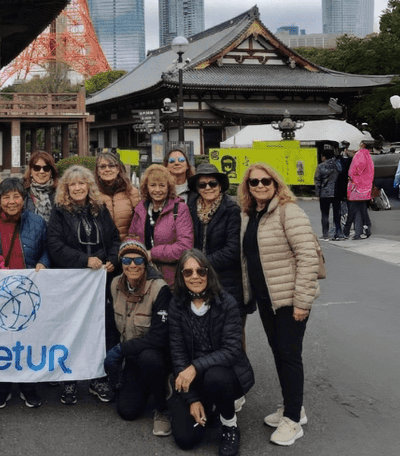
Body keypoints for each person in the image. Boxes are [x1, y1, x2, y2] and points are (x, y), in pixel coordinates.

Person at [239, 163, 319, 447]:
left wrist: (302, 302)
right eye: (254, 182)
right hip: (266, 299)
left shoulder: (289, 211)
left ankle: (293, 421)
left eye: (266, 181)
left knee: (289, 354)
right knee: (279, 352)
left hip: (289, 299)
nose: (260, 186)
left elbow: (307, 256)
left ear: (276, 183)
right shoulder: (251, 215)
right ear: (247, 187)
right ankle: (291, 407)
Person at [0, 176, 50, 408]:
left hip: (27, 290)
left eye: (16, 196)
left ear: (23, 199)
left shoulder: (37, 222)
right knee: (1, 341)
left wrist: (44, 263)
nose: (12, 201)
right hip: (0, 292)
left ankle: (27, 386)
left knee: (27, 340)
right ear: (0, 199)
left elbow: (46, 250)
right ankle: (2, 386)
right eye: (6, 197)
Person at [168, 249, 254, 456]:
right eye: (187, 272)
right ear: (181, 276)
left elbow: (232, 350)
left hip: (225, 373)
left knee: (215, 377)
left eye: (201, 271)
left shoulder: (226, 303)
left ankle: (230, 425)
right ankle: (208, 405)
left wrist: (195, 367)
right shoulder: (176, 305)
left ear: (209, 273)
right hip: (194, 379)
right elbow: (177, 352)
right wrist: (192, 399)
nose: (195, 276)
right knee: (186, 440)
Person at [47, 165, 119, 405]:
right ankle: (69, 379)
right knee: (71, 329)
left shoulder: (101, 209)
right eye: (72, 184)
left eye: (82, 183)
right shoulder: (59, 212)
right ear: (66, 188)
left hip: (100, 282)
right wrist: (84, 260)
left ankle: (98, 377)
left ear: (89, 185)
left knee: (101, 328)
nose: (78, 188)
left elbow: (115, 239)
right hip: (72, 282)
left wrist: (111, 259)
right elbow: (55, 245)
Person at [106, 238, 173, 437]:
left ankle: (162, 407)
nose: (132, 265)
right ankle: (144, 387)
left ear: (145, 262)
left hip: (157, 356)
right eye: (126, 261)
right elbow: (112, 327)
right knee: (127, 411)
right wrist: (113, 362)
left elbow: (159, 337)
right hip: (132, 357)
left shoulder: (160, 289)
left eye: (137, 260)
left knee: (149, 358)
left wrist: (120, 350)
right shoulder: (115, 284)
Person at [185, 163, 242, 308]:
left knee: (230, 326)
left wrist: (202, 263)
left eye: (213, 183)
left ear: (220, 186)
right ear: (197, 189)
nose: (208, 188)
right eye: (202, 185)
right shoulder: (190, 208)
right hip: (198, 279)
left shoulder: (231, 209)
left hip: (226, 279)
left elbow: (232, 249)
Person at [129, 164, 193, 282]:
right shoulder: (140, 209)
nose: (157, 190)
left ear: (169, 187)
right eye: (153, 185)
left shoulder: (180, 209)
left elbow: (184, 247)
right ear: (146, 187)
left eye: (162, 185)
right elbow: (132, 239)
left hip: (171, 279)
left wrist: (151, 254)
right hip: (142, 277)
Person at [95, 151, 141, 239]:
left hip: (127, 246)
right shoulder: (92, 194)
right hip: (101, 248)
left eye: (111, 166)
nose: (107, 169)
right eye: (102, 166)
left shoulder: (131, 192)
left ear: (118, 169)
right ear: (97, 171)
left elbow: (140, 222)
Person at [343, 141, 374, 240]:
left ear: (363, 145)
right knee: (362, 211)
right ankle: (364, 230)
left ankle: (346, 232)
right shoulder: (369, 156)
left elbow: (355, 170)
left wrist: (351, 177)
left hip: (356, 187)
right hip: (366, 188)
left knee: (352, 211)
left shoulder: (359, 155)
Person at [314, 147, 343, 240]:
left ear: (323, 157)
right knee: (337, 214)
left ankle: (325, 234)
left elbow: (317, 180)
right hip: (336, 192)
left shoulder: (320, 166)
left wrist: (318, 192)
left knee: (325, 214)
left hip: (324, 193)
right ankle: (338, 232)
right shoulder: (338, 165)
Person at [23, 150, 58, 222]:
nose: (41, 172)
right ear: (31, 171)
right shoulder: (22, 192)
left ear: (51, 172)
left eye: (46, 168)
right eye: (37, 168)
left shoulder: (60, 193)